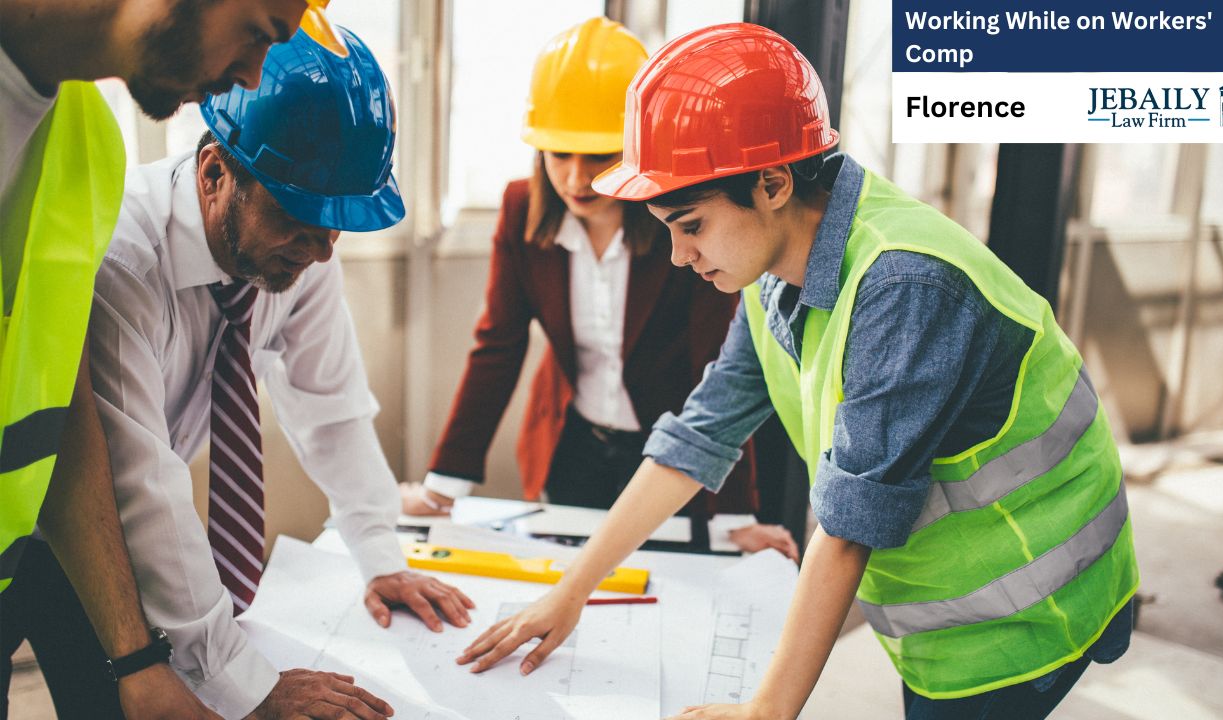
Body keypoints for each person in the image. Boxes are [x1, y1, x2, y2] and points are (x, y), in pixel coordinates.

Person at [457, 23, 1139, 720]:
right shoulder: (772, 272)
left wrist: (765, 712)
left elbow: (847, 528)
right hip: (950, 605)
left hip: (1024, 614)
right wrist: (570, 590)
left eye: (690, 225)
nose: (678, 255)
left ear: (774, 182)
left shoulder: (903, 286)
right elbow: (700, 436)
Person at [80, 26, 475, 720]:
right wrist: (249, 683)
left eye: (337, 226)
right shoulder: (123, 262)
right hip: (72, 535)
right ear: (213, 173)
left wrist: (380, 551)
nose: (323, 251)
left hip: (144, 517)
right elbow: (143, 484)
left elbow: (332, 407)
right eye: (301, 218)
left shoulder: (297, 256)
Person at [0, 1, 343, 717]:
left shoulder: (83, 142)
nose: (250, 73)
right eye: (259, 31)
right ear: (216, 176)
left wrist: (139, 659)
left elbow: (67, 414)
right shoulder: (131, 239)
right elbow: (145, 477)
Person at [401, 17, 795, 558]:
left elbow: (721, 366)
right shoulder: (520, 211)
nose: (575, 178)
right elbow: (498, 347)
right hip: (570, 443)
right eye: (560, 154)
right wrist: (443, 486)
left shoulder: (683, 223)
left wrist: (735, 519)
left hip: (669, 449)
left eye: (598, 155)